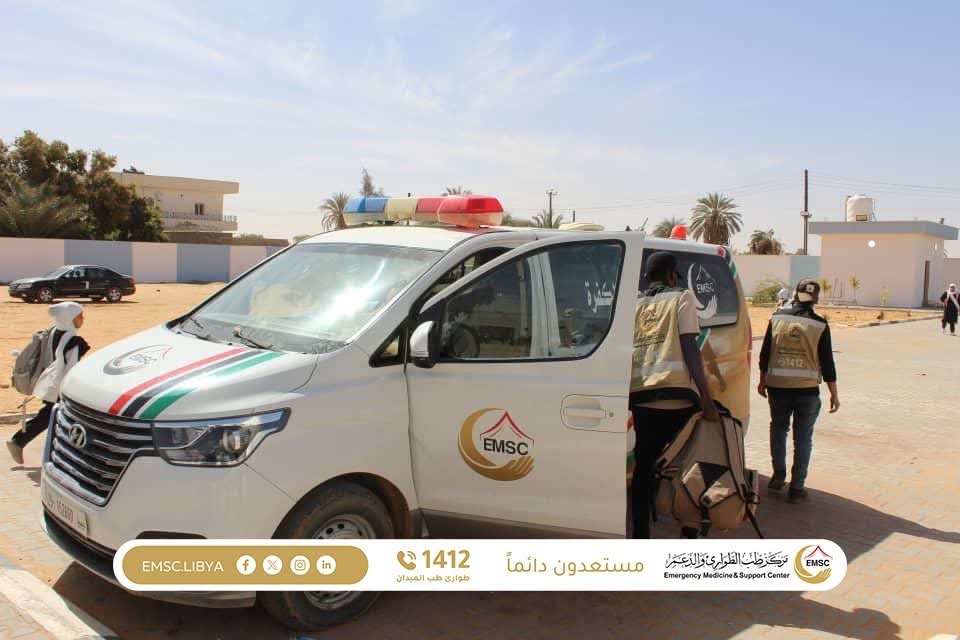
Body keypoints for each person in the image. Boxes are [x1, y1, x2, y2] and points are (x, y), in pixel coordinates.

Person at [630, 251, 720, 538]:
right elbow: (691, 349)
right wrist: (706, 399)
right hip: (677, 399)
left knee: (644, 469)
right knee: (689, 466)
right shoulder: (682, 297)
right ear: (671, 275)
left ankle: (641, 536)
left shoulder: (634, 304)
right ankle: (688, 533)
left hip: (641, 398)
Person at [757, 279, 839, 504]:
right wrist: (834, 393)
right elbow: (827, 363)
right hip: (807, 390)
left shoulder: (776, 318)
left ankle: (778, 476)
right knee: (803, 438)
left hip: (778, 387)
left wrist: (762, 381)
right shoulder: (819, 324)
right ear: (815, 299)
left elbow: (765, 353)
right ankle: (796, 488)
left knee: (778, 429)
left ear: (795, 295)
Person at [6, 302, 89, 464]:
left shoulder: (53, 332)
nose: (82, 319)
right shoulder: (73, 342)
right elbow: (71, 369)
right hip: (61, 388)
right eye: (79, 316)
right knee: (59, 419)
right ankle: (22, 442)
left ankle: (20, 441)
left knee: (49, 417)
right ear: (69, 318)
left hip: (49, 383)